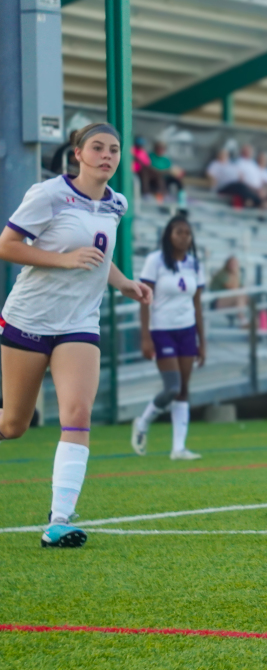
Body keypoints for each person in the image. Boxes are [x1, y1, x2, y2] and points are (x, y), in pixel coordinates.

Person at [0, 122, 152, 548]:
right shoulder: (49, 194)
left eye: (115, 150)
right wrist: (62, 261)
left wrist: (123, 282)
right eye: (98, 148)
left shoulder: (117, 203)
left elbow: (99, 258)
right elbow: (7, 245)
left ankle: (59, 520)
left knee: (78, 413)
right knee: (13, 425)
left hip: (80, 323)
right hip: (28, 319)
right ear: (78, 154)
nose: (107, 155)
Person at [130, 215, 207, 461]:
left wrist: (201, 341)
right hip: (161, 330)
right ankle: (142, 423)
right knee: (172, 387)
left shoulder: (195, 264)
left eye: (187, 233)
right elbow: (144, 299)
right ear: (168, 235)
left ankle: (178, 448)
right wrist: (145, 336)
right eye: (178, 232)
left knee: (183, 389)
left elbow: (197, 304)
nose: (184, 237)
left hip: (187, 330)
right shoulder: (155, 261)